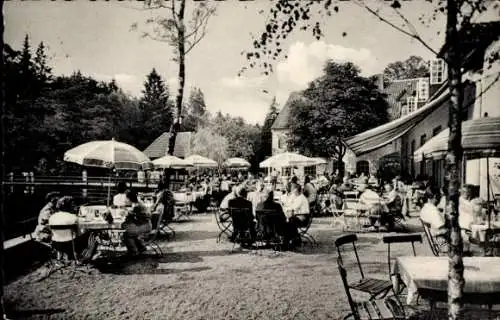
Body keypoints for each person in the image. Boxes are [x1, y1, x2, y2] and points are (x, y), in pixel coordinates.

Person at [48, 196, 97, 261]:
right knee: (93, 233)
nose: (74, 206)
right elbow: (79, 233)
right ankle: (86, 256)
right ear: (68, 206)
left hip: (56, 244)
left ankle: (63, 254)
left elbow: (51, 232)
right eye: (72, 205)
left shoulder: (52, 217)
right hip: (71, 245)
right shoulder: (73, 217)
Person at [123, 190, 152, 256]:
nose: (125, 200)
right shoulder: (139, 202)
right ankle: (141, 247)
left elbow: (134, 218)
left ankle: (133, 252)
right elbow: (136, 216)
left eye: (126, 198)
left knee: (127, 233)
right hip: (147, 224)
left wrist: (127, 214)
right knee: (130, 229)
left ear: (129, 198)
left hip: (145, 226)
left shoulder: (136, 206)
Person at [284, 184, 310, 248]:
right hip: (300, 216)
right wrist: (291, 197)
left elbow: (293, 207)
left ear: (297, 191)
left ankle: (292, 239)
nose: (293, 193)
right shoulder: (298, 197)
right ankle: (294, 238)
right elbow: (288, 203)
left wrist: (287, 207)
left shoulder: (301, 198)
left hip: (303, 218)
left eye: (294, 191)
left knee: (290, 222)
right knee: (290, 220)